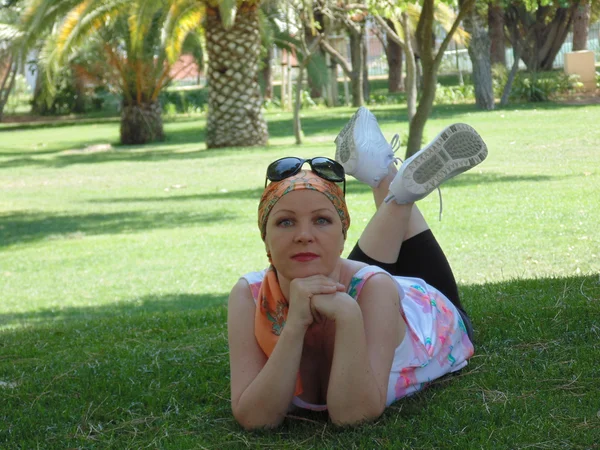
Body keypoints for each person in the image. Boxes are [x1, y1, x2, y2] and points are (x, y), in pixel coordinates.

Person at [227, 107, 488, 429]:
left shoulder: (375, 287)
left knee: (373, 280)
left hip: (431, 313)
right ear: (265, 239)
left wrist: (349, 315)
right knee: (365, 267)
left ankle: (389, 182)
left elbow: (353, 415)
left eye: (322, 220)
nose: (304, 235)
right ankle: (390, 183)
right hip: (361, 282)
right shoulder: (249, 296)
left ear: (343, 238)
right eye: (285, 222)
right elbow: (254, 418)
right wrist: (294, 323)